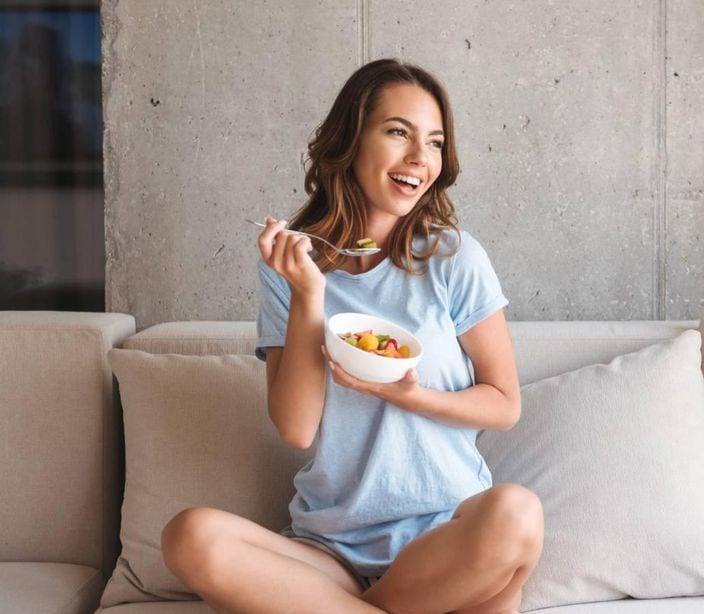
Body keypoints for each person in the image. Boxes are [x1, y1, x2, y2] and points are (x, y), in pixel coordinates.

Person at [161, 58, 544, 614]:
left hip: (445, 542)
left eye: (434, 142)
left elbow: (505, 404)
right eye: (397, 132)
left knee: (518, 513)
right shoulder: (290, 268)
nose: (420, 158)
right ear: (351, 141)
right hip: (330, 554)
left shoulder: (452, 257)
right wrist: (309, 295)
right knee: (190, 536)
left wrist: (412, 396)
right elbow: (295, 429)